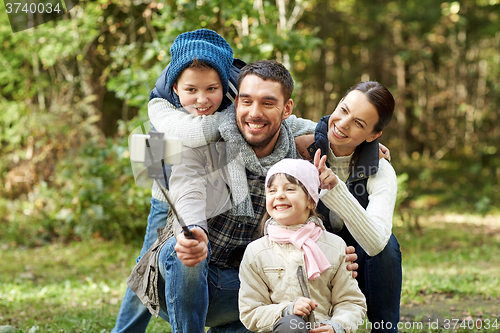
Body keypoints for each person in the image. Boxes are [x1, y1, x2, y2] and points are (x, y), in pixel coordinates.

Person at [127, 60, 361, 332]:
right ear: (236, 102)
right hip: (181, 281)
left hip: (244, 290)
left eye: (267, 103)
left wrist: (334, 254)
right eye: (246, 101)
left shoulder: (296, 159)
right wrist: (192, 230)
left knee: (288, 289)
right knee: (185, 251)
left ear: (287, 109)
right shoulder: (204, 142)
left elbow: (313, 209)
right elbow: (186, 187)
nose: (254, 113)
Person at [112, 28, 240, 333]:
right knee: (145, 263)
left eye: (212, 89)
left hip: (212, 189)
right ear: (175, 87)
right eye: (191, 90)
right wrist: (238, 118)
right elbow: (193, 132)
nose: (201, 99)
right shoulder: (159, 105)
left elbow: (280, 117)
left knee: (199, 255)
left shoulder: (238, 92)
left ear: (224, 82)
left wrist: (322, 131)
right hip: (166, 188)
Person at [304, 81, 402, 333]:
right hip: (311, 253)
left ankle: (385, 328)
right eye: (343, 110)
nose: (343, 123)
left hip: (358, 260)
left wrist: (335, 189)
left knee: (388, 247)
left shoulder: (381, 171)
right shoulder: (301, 150)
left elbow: (376, 243)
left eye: (359, 123)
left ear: (373, 136)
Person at [239, 157, 367, 333]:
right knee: (292, 325)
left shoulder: (334, 246)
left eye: (290, 189)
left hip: (324, 327)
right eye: (272, 190)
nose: (279, 195)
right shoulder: (257, 252)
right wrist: (286, 310)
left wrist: (337, 326)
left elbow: (351, 302)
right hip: (283, 328)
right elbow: (250, 311)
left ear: (311, 201)